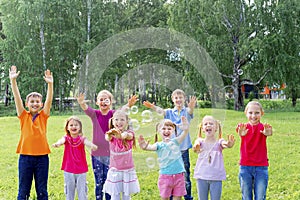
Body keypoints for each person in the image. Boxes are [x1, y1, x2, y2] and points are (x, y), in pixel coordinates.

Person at [77, 91, 138, 200]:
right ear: (97, 102)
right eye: (101, 99)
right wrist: (81, 102)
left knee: (110, 181)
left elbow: (121, 112)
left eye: (106, 100)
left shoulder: (113, 115)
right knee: (99, 181)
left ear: (111, 102)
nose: (103, 102)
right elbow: (86, 108)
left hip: (111, 155)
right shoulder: (95, 114)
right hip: (97, 154)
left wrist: (129, 105)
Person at [9, 65, 53, 200]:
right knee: (23, 191)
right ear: (27, 104)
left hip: (42, 158)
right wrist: (13, 81)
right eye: (32, 102)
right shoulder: (23, 115)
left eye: (37, 102)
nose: (35, 104)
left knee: (42, 190)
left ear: (41, 104)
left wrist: (50, 85)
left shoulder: (43, 116)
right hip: (25, 158)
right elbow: (17, 98)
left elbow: (49, 100)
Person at [143, 89, 196, 200]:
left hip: (183, 148)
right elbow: (161, 111)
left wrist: (191, 107)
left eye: (180, 97)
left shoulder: (186, 111)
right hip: (171, 149)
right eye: (176, 98)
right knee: (172, 173)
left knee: (185, 173)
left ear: (184, 99)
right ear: (173, 100)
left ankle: (188, 196)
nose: (178, 100)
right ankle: (172, 194)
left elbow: (190, 112)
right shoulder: (169, 113)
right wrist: (152, 107)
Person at [138, 116, 190, 200]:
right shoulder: (159, 145)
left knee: (178, 198)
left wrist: (186, 128)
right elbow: (150, 147)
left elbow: (184, 133)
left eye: (169, 129)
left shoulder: (176, 141)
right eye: (163, 128)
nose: (166, 131)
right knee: (165, 198)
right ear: (159, 131)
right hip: (165, 177)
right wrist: (144, 146)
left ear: (173, 131)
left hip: (179, 175)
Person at [52, 116, 98, 200]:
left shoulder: (82, 139)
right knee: (69, 191)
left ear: (80, 127)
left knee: (82, 191)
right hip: (69, 169)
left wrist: (92, 146)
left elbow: (87, 142)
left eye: (76, 125)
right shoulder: (66, 138)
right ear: (67, 128)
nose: (74, 127)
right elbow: (61, 141)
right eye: (71, 125)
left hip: (81, 170)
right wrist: (58, 144)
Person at [236, 101, 272, 200]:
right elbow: (240, 132)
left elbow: (268, 132)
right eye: (250, 113)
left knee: (260, 196)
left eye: (257, 113)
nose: (253, 116)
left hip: (261, 167)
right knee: (246, 196)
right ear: (246, 113)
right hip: (245, 167)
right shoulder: (243, 127)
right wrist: (241, 133)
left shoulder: (263, 128)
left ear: (262, 113)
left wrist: (267, 132)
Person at [193, 115, 235, 200]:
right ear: (202, 129)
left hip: (216, 177)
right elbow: (195, 146)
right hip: (202, 177)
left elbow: (225, 144)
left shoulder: (219, 142)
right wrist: (196, 147)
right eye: (205, 124)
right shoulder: (200, 141)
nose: (208, 125)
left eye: (211, 124)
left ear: (216, 128)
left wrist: (229, 144)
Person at [102, 109, 140, 200]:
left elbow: (124, 136)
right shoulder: (112, 133)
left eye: (122, 120)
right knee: (115, 195)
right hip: (115, 170)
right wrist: (110, 134)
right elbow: (107, 137)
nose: (119, 122)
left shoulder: (129, 133)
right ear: (112, 121)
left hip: (127, 170)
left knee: (126, 195)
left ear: (127, 122)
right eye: (116, 119)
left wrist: (119, 135)